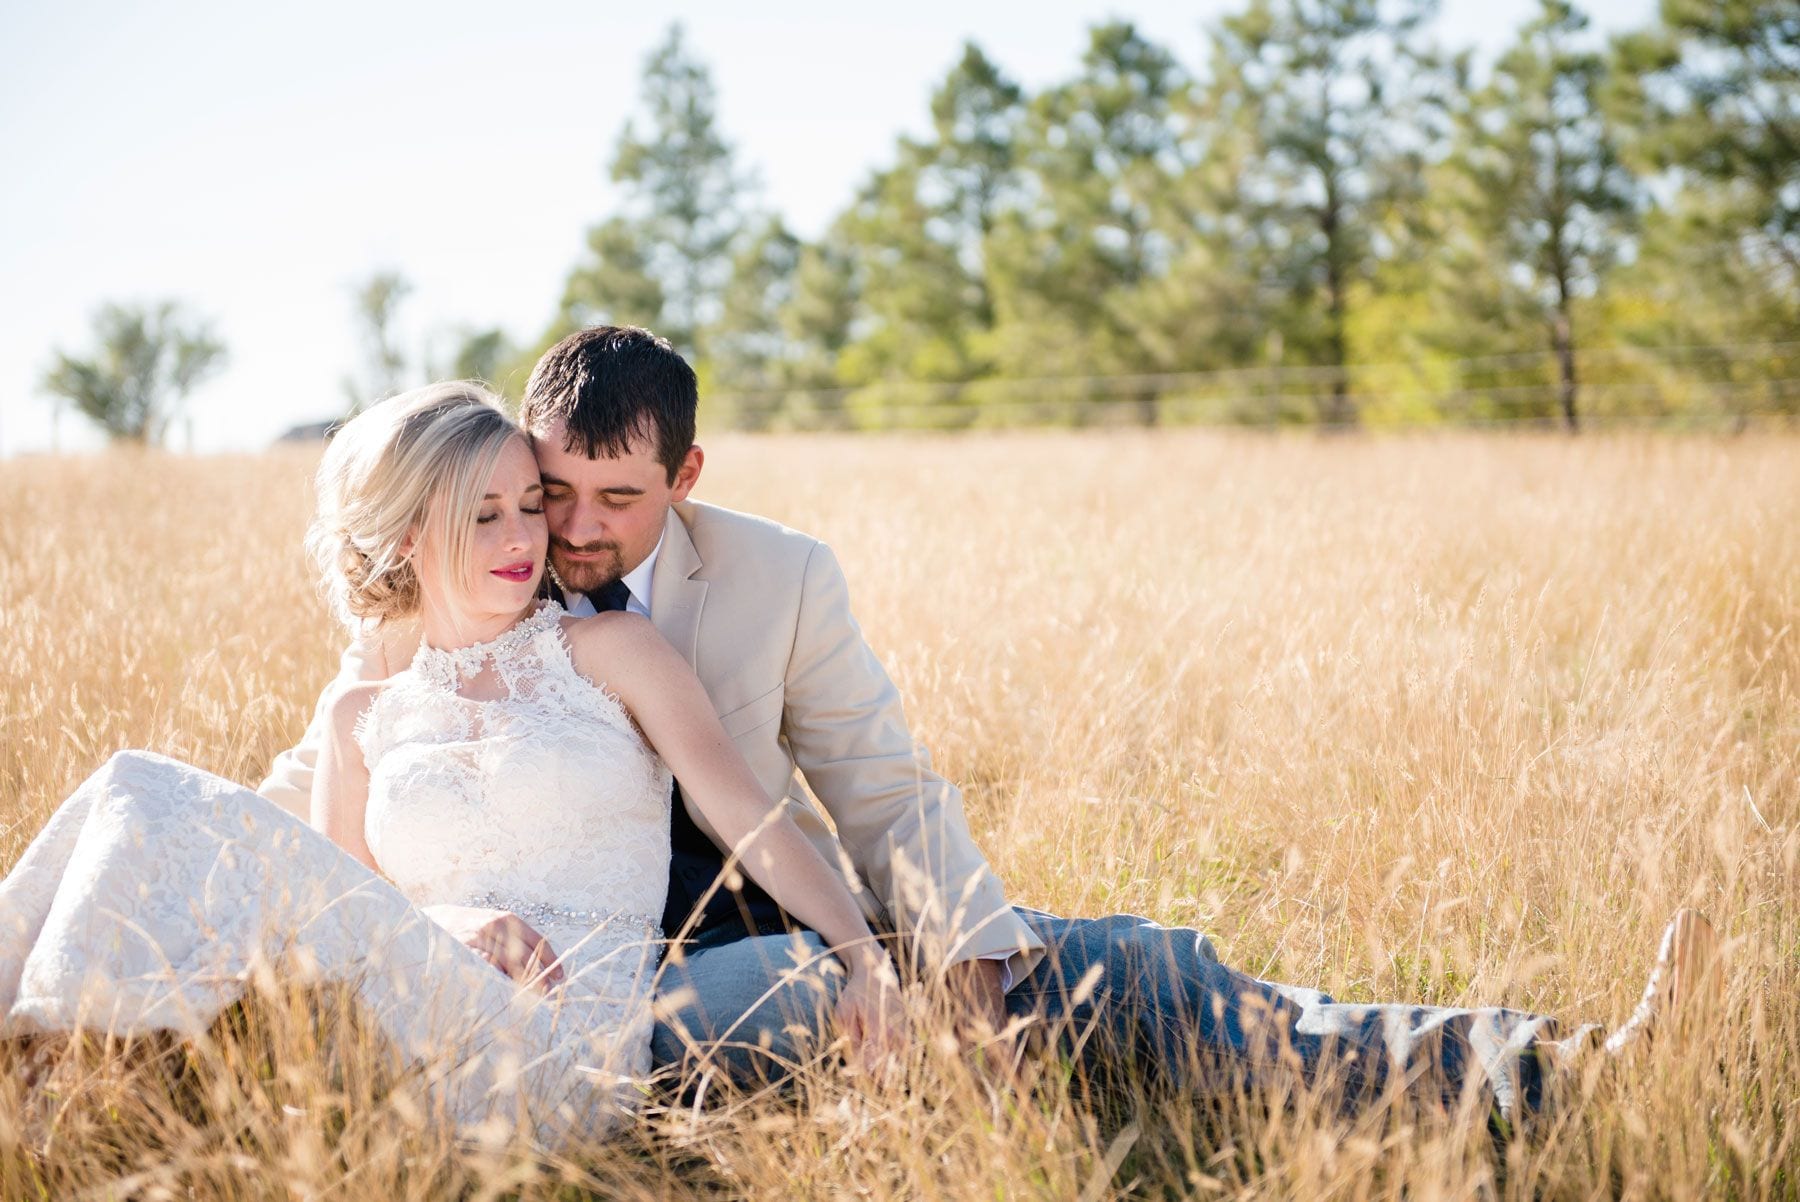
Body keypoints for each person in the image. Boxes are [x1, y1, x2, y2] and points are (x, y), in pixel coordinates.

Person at [262, 327, 1719, 1126]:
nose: (563, 533)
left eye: (607, 501)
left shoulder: (770, 576)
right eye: (537, 492)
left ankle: (1556, 1069)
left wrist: (951, 951)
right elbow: (335, 818)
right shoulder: (435, 619)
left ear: (686, 476)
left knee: (1123, 977)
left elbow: (875, 788)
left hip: (764, 922)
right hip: (592, 996)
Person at [0, 382, 900, 1148]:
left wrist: (866, 960)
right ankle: (45, 1078)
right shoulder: (360, 715)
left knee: (140, 788)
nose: (523, 538)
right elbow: (336, 914)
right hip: (401, 1022)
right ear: (404, 538)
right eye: (483, 515)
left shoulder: (611, 652)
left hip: (570, 1044)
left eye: (527, 506)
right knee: (133, 787)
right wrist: (452, 918)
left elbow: (750, 816)